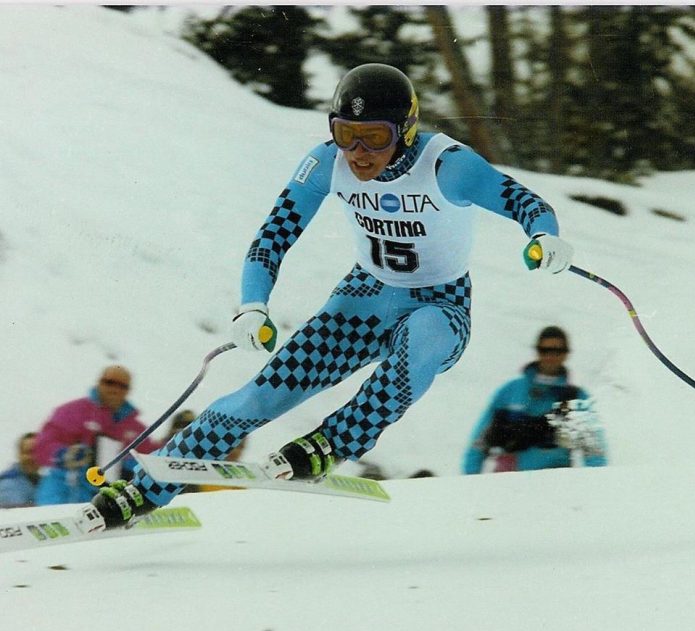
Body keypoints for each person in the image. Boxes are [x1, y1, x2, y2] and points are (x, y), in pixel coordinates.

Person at [91, 63, 574, 528]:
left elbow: (527, 202)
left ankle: (334, 441)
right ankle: (143, 488)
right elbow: (272, 237)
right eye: (346, 134)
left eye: (375, 137)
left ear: (405, 130)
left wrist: (543, 235)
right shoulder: (324, 162)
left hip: (440, 303)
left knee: (421, 343)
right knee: (255, 400)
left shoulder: (449, 165)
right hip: (363, 299)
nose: (359, 152)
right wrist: (252, 305)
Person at [462, 326, 607, 474]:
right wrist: (469, 481)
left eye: (557, 351)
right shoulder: (510, 391)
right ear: (537, 351)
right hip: (506, 484)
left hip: (555, 484)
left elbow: (593, 450)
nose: (550, 356)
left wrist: (595, 483)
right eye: (545, 350)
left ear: (566, 354)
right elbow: (479, 443)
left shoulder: (576, 399)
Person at [34, 365, 158, 505]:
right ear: (99, 382)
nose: (115, 389)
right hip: (64, 493)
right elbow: (42, 447)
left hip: (112, 502)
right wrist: (65, 455)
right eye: (109, 382)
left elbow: (152, 463)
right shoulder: (72, 411)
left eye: (122, 385)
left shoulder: (137, 429)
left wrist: (127, 465)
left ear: (128, 390)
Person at [0, 432, 39, 507]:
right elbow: (21, 516)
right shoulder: (8, 484)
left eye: (36, 453)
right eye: (28, 452)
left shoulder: (42, 482)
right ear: (19, 454)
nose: (32, 457)